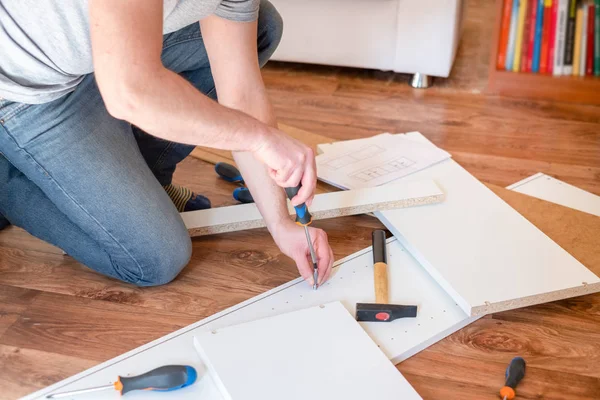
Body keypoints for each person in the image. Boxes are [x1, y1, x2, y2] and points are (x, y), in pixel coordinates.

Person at [0, 0, 334, 287]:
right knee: (154, 258)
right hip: (23, 93)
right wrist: (261, 138)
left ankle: (141, 178)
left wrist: (280, 223)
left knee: (261, 24)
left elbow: (241, 93)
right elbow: (128, 94)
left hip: (99, 64)